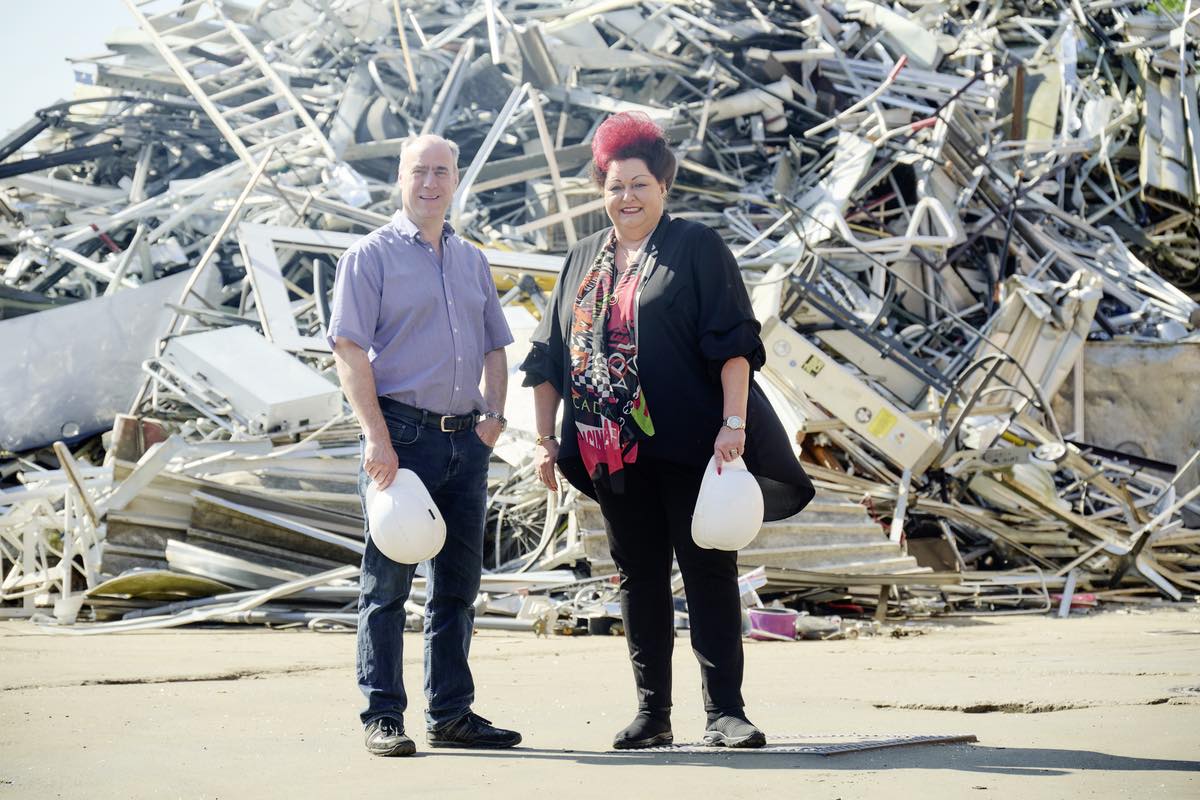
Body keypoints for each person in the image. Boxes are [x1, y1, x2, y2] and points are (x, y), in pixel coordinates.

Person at [520, 113, 814, 750]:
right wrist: (545, 440)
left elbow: (734, 344)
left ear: (663, 186)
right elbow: (546, 357)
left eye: (639, 185)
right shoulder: (579, 261)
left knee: (708, 571)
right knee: (637, 579)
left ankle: (725, 713)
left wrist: (733, 423)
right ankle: (653, 714)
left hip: (692, 447)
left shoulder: (696, 249)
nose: (625, 197)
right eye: (614, 186)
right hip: (611, 453)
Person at [328, 134, 521, 757]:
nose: (431, 183)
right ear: (400, 179)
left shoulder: (470, 259)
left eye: (442, 172)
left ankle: (451, 713)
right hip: (401, 440)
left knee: (458, 587)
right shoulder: (370, 256)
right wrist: (377, 441)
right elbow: (349, 352)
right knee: (386, 586)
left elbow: (496, 342)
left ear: (456, 178)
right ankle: (382, 715)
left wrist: (494, 415)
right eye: (419, 172)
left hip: (465, 442)